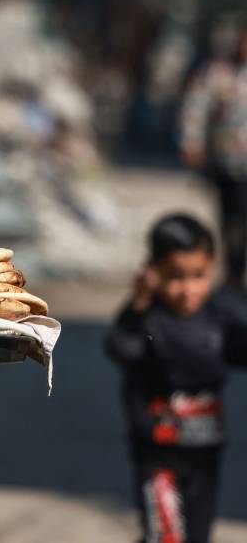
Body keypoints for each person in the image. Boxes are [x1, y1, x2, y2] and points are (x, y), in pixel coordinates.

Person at [105, 214, 247, 543]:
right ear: (153, 272)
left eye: (198, 276)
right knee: (165, 536)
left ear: (211, 266)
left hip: (205, 457)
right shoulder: (146, 321)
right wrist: (137, 305)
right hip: (158, 457)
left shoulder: (219, 320)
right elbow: (121, 348)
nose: (187, 289)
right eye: (175, 277)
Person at [180, 31, 247, 289]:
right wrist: (192, 142)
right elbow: (195, 107)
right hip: (229, 163)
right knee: (232, 221)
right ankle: (234, 274)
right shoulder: (218, 73)